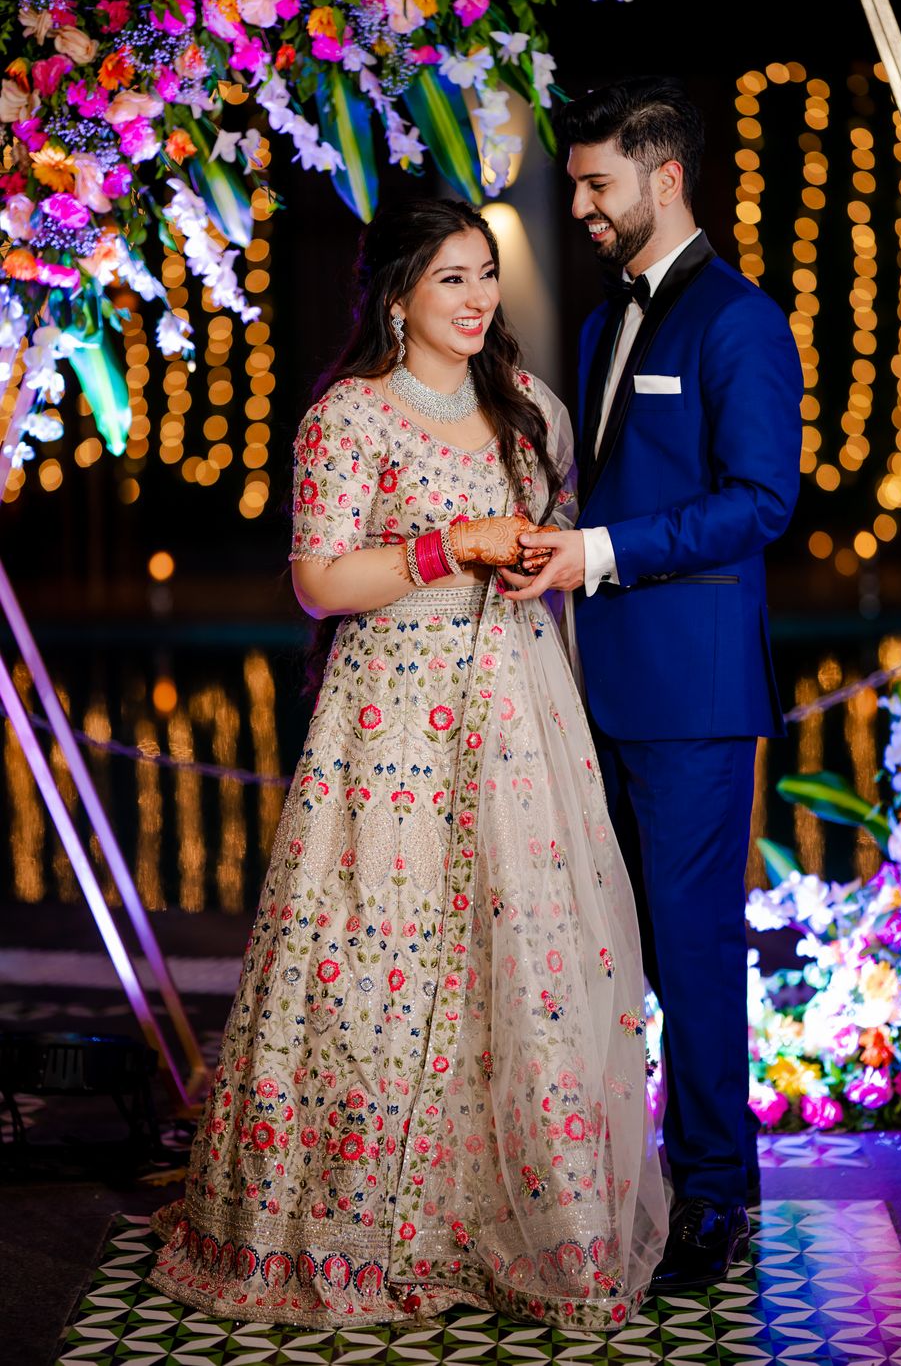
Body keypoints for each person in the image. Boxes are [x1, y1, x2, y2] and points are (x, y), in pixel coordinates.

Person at [150, 197, 669, 1329]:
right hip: (389, 733)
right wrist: (450, 547)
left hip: (522, 725)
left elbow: (560, 551)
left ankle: (532, 1228)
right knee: (373, 966)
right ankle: (358, 1238)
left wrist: (539, 563)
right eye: (451, 280)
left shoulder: (533, 409)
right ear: (397, 297)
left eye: (486, 275)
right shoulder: (352, 418)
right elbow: (320, 584)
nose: (480, 298)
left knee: (525, 962)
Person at [504, 77, 801, 1289]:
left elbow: (759, 503)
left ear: (663, 178)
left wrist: (597, 556)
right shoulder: (599, 321)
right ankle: (623, 1178)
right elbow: (613, 489)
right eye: (576, 183)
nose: (579, 204)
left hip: (691, 697)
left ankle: (717, 1201)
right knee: (610, 952)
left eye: (596, 184)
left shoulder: (739, 321)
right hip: (597, 685)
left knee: (688, 952)